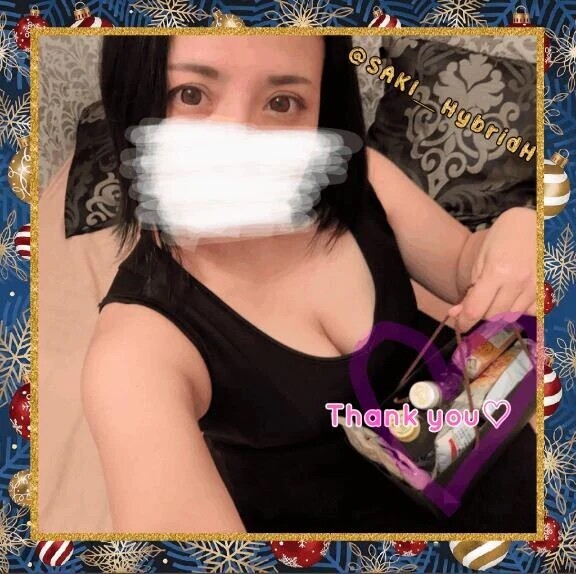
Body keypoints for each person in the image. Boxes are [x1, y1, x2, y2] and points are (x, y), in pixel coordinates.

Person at [81, 34, 537, 533]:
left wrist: (515, 233)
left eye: (283, 102)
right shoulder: (136, 351)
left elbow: (465, 261)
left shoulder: (358, 180)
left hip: (497, 462)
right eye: (190, 94)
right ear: (133, 97)